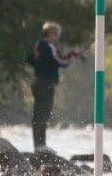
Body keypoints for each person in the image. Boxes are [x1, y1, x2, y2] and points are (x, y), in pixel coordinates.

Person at [27, 21, 84, 152]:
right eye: (57, 34)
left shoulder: (39, 46)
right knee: (43, 113)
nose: (58, 37)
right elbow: (60, 61)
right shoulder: (48, 46)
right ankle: (41, 146)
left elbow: (32, 59)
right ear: (51, 34)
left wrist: (72, 54)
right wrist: (72, 58)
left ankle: (39, 145)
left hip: (38, 82)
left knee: (38, 114)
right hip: (45, 83)